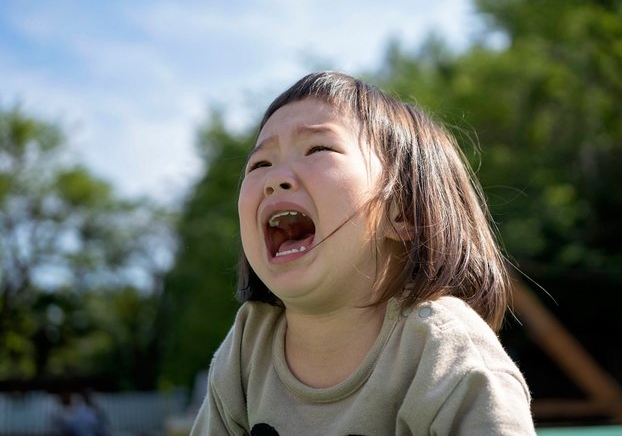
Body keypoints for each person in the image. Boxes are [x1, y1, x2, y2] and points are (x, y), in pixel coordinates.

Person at [191, 71, 536, 435]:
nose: (275, 179)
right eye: (260, 164)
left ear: (402, 212)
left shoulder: (443, 350)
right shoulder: (248, 346)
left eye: (317, 149)